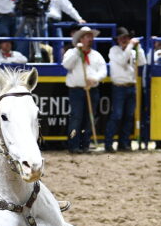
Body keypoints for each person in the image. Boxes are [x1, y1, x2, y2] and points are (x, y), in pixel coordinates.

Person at [61, 26, 106, 154]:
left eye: (91, 36)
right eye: (87, 36)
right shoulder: (71, 52)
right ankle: (73, 145)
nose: (90, 39)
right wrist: (77, 51)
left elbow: (103, 71)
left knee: (89, 118)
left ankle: (85, 145)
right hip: (76, 90)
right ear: (81, 39)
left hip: (92, 89)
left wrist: (94, 78)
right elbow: (66, 65)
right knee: (76, 117)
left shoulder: (96, 55)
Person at [106, 27, 144, 153]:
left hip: (131, 86)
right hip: (119, 87)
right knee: (117, 115)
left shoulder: (132, 52)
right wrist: (131, 46)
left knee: (128, 116)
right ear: (117, 40)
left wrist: (138, 48)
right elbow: (122, 61)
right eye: (121, 38)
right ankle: (108, 143)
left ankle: (124, 143)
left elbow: (142, 62)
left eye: (126, 38)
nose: (123, 40)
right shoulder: (114, 51)